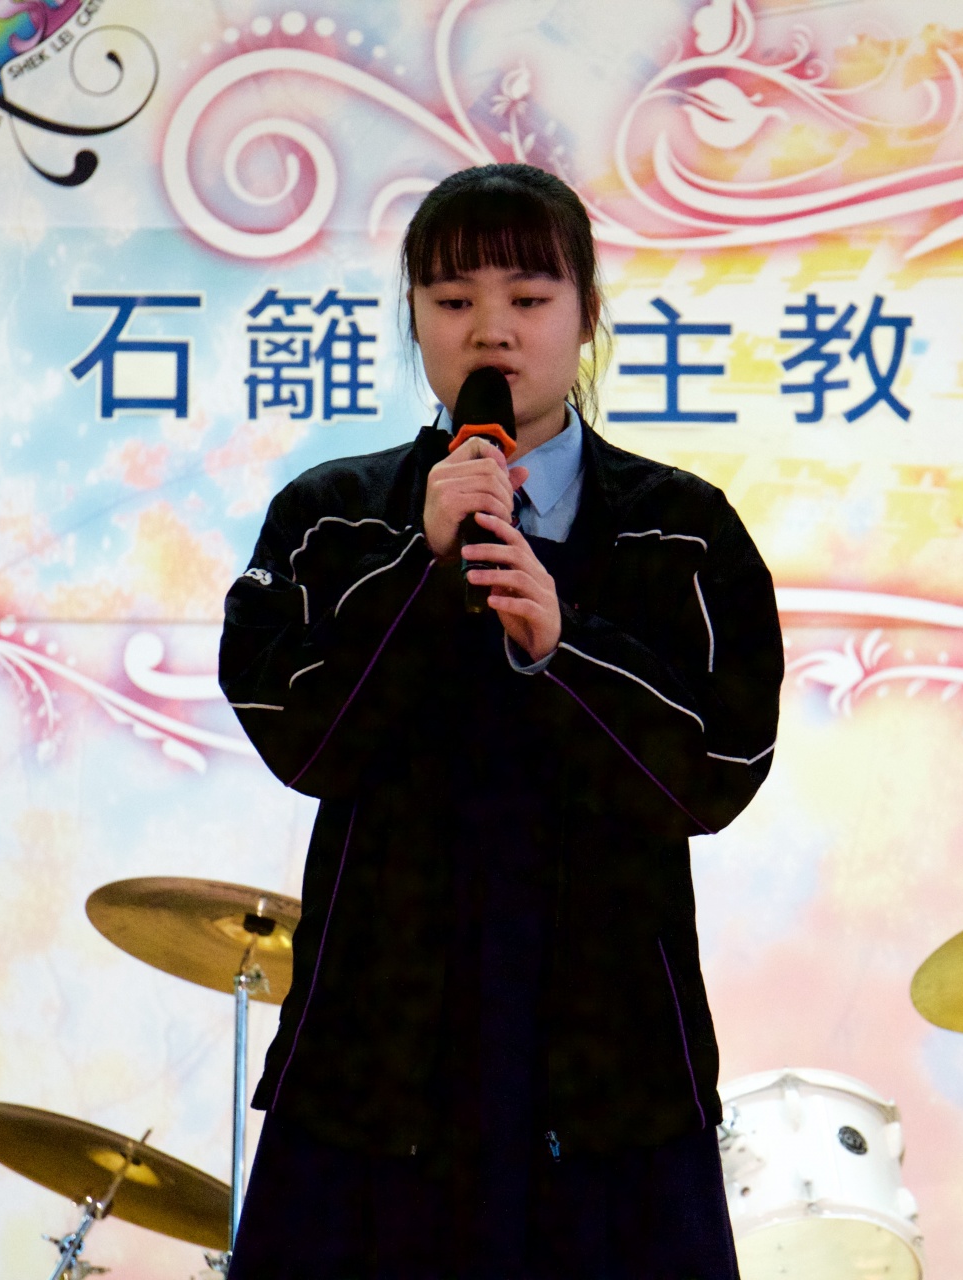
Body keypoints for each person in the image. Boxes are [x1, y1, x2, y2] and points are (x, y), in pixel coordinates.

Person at [218, 163, 783, 1278]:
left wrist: (565, 646)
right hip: (371, 1075)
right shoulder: (331, 520)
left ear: (587, 313)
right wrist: (420, 571)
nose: (492, 330)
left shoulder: (683, 531)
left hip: (611, 1082)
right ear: (413, 318)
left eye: (529, 298)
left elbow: (719, 766)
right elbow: (304, 738)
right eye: (453, 300)